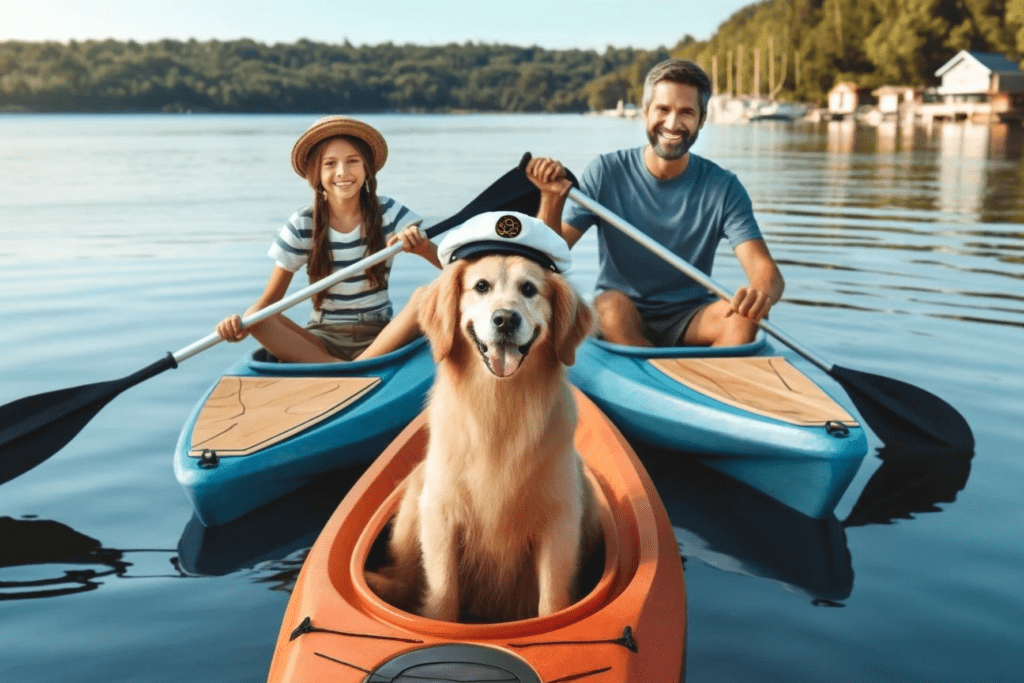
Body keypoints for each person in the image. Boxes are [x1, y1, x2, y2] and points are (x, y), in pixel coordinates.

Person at [528, 58, 785, 348]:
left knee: (743, 318)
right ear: (646, 112)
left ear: (701, 119)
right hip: (623, 314)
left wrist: (760, 294)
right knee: (610, 308)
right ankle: (663, 377)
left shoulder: (724, 187)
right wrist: (550, 198)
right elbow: (549, 258)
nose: (673, 124)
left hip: (692, 318)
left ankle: (711, 383)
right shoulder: (606, 172)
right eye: (663, 109)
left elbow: (766, 271)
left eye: (686, 112)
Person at [216, 115, 441, 363]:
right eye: (330, 163)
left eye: (352, 161)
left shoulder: (388, 212)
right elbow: (268, 304)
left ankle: (354, 366)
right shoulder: (303, 223)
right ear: (317, 174)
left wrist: (423, 248)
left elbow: (449, 265)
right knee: (256, 315)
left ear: (366, 168)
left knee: (424, 296)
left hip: (381, 336)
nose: (342, 172)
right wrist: (241, 327)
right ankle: (347, 368)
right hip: (322, 341)